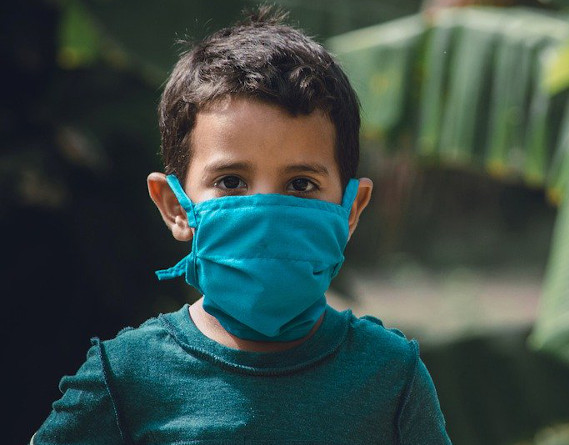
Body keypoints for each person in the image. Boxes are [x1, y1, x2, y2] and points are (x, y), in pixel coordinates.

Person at [33, 6, 451, 444]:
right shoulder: (125, 378)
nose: (266, 214)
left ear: (351, 209)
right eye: (231, 181)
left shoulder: (391, 378)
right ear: (175, 206)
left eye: (301, 184)